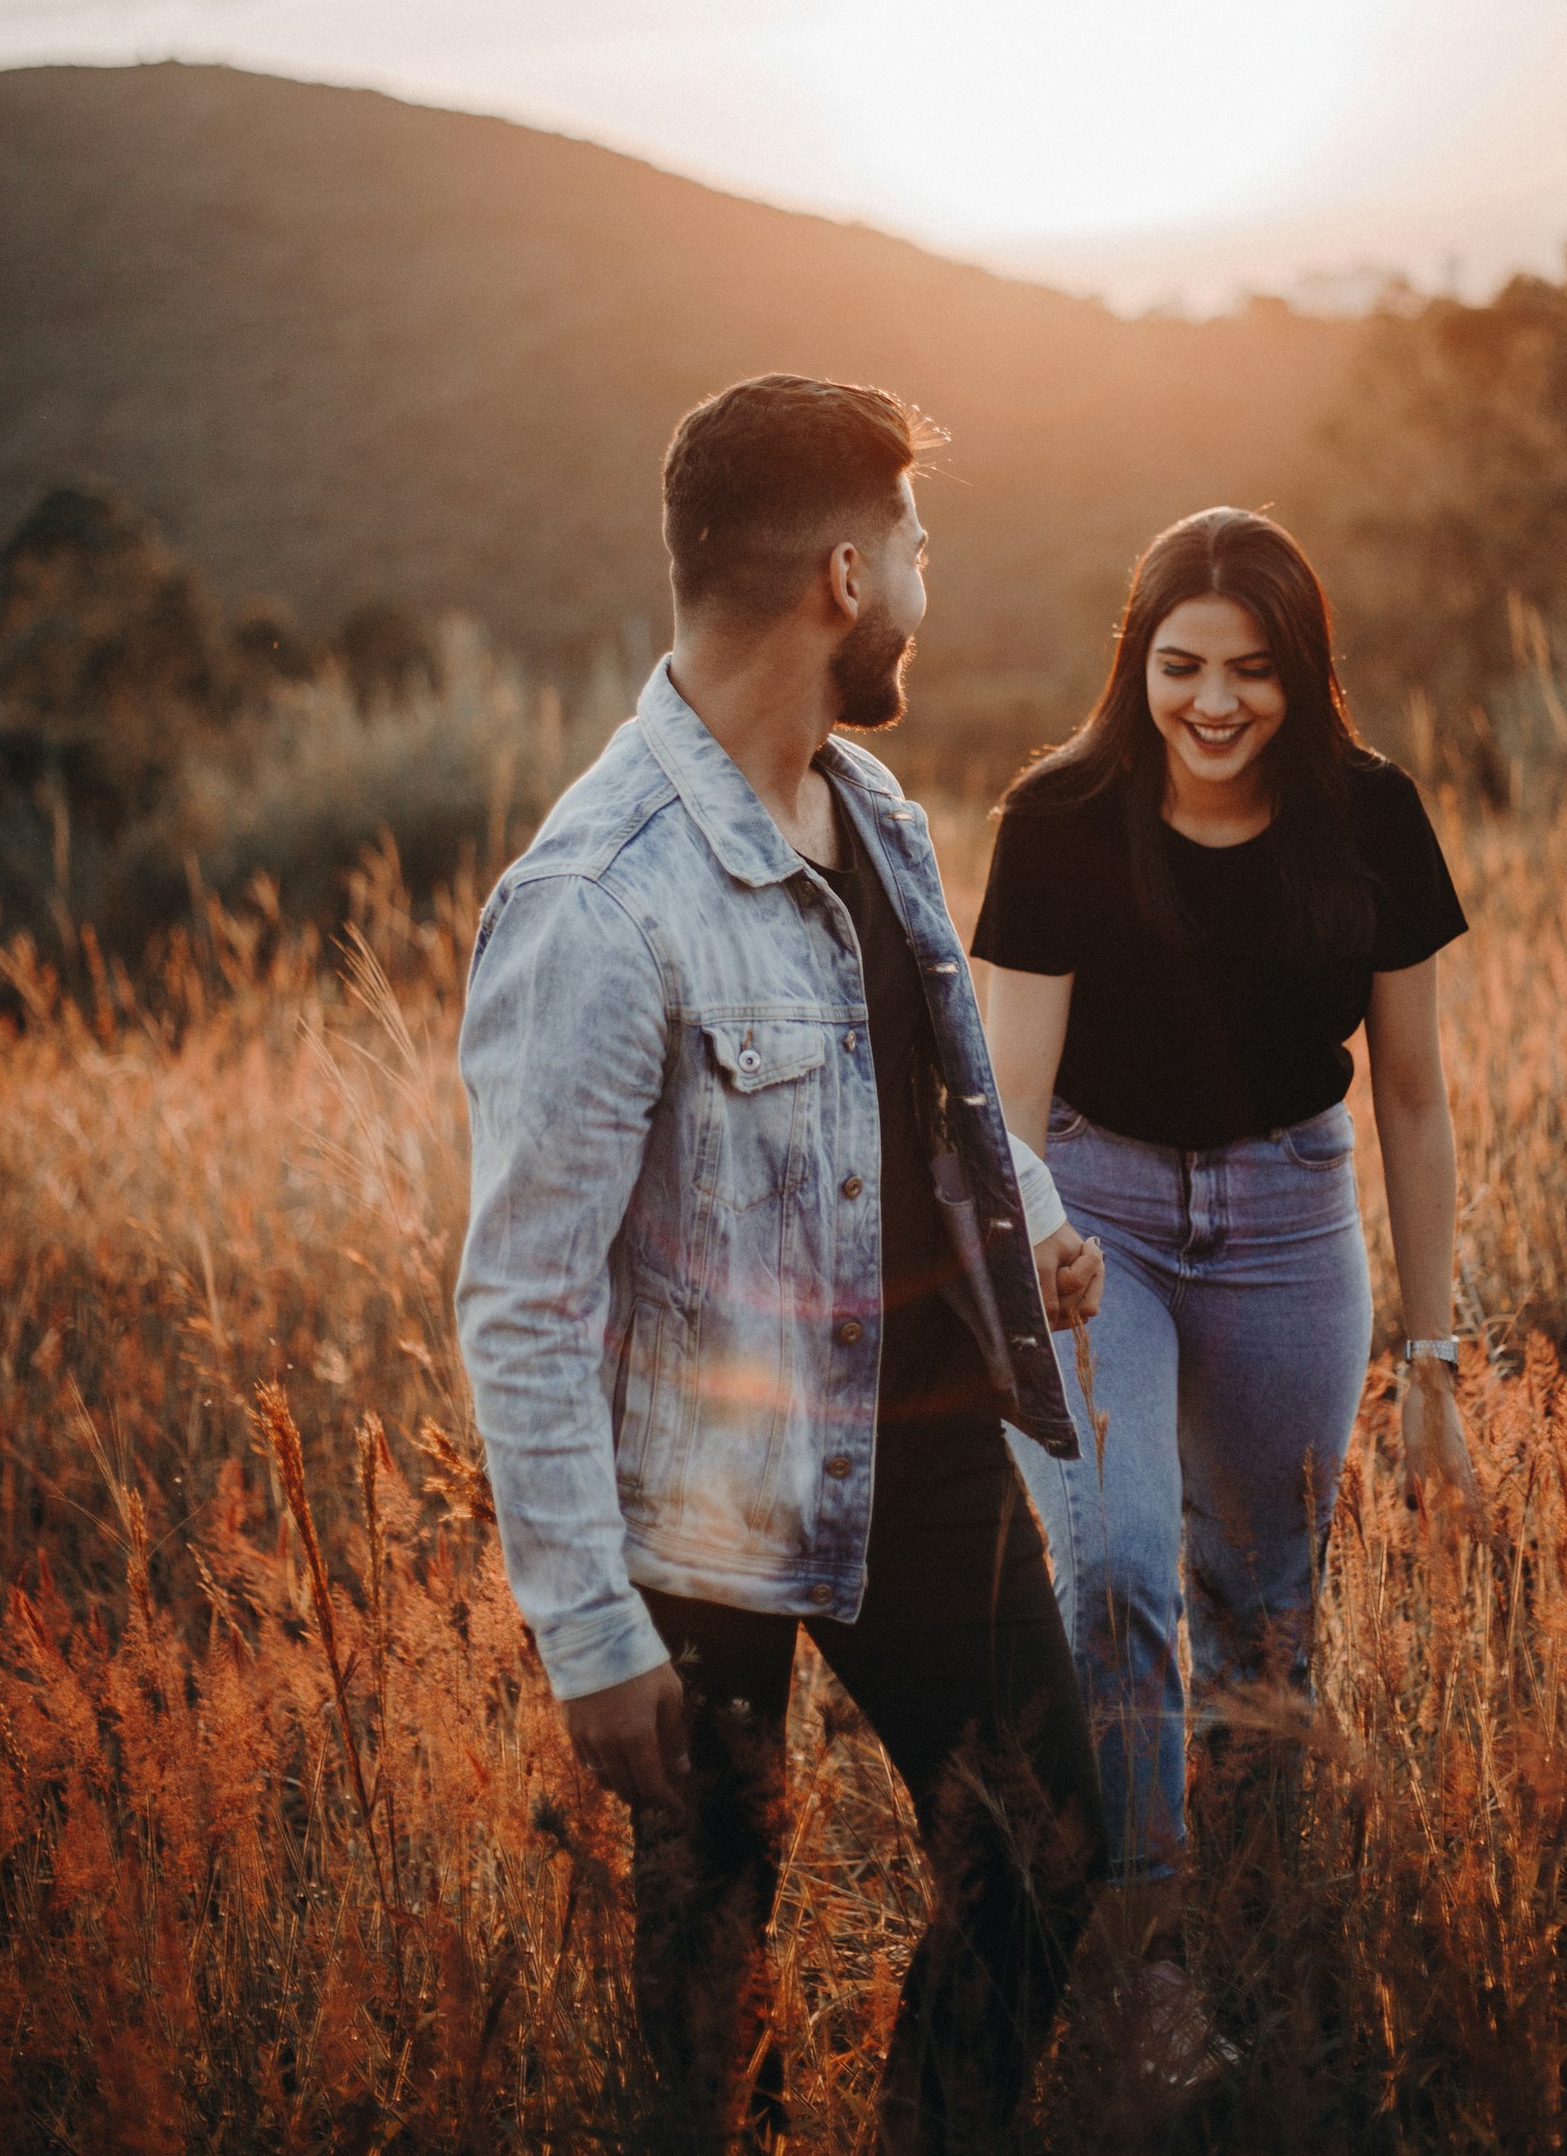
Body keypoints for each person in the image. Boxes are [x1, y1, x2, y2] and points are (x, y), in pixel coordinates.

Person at [456, 374, 1108, 2155]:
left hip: (934, 1452)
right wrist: (589, 1633)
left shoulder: (870, 801)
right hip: (701, 1515)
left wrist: (1033, 1228)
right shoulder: (597, 899)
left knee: (1054, 1850)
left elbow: (933, 1090)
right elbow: (523, 1298)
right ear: (844, 573)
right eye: (914, 544)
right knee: (709, 2004)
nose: (926, 577)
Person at [974, 505, 1482, 2054]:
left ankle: (1260, 1930)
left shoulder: (1372, 816)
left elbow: (1409, 1095)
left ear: (1299, 673)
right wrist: (1042, 1246)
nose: (1213, 703)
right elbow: (1004, 1107)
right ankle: (1144, 1966)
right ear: (1138, 663)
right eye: (1182, 665)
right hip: (1093, 1222)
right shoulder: (1061, 816)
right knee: (1119, 1570)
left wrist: (1436, 1361)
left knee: (1265, 1612)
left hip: (1287, 1214)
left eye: (1252, 671)